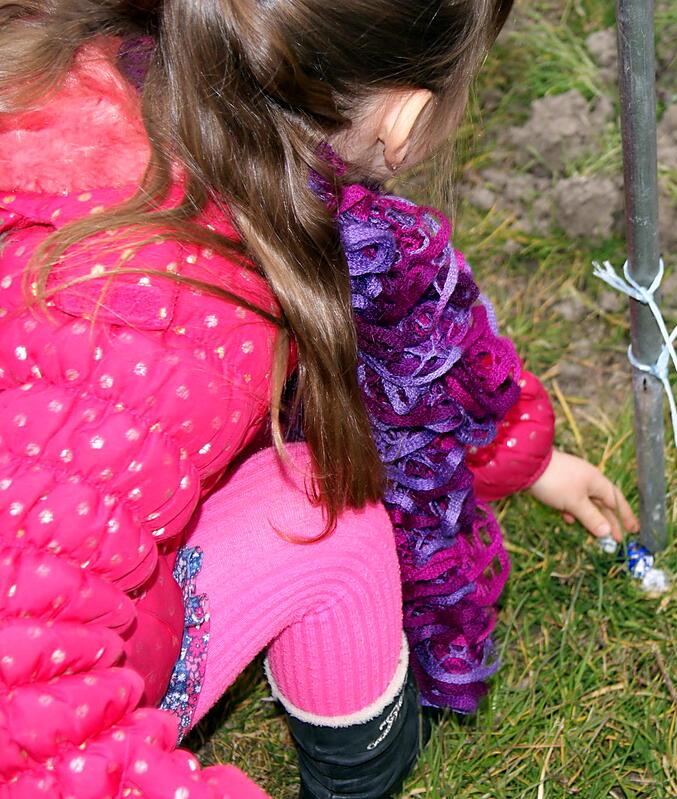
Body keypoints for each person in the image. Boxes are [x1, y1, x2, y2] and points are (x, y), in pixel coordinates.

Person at [0, 2, 638, 797]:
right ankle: (360, 773)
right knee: (334, 511)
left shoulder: (73, 79)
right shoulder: (157, 325)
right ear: (405, 119)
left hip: (46, 564)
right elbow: (24, 717)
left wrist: (521, 453)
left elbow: (415, 356)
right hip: (50, 683)